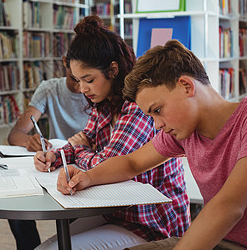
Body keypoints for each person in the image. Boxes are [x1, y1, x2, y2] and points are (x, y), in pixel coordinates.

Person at [57, 39, 247, 250]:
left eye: (157, 110)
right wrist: (88, 177)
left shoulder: (244, 120)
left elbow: (229, 206)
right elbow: (132, 163)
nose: (157, 125)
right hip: (218, 240)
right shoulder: (185, 132)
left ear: (186, 86)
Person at [34, 16, 190, 249]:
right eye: (77, 80)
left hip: (151, 222)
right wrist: (55, 156)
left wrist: (80, 150)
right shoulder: (104, 103)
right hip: (116, 211)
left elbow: (108, 163)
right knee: (50, 246)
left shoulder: (138, 106)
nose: (82, 89)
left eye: (88, 80)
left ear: (113, 70)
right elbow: (83, 145)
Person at [7, 57, 89, 249]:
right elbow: (15, 135)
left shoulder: (95, 91)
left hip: (84, 168)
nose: (80, 87)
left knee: (73, 223)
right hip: (53, 164)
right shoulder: (50, 89)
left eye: (84, 79)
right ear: (65, 64)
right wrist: (30, 141)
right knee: (16, 205)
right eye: (73, 78)